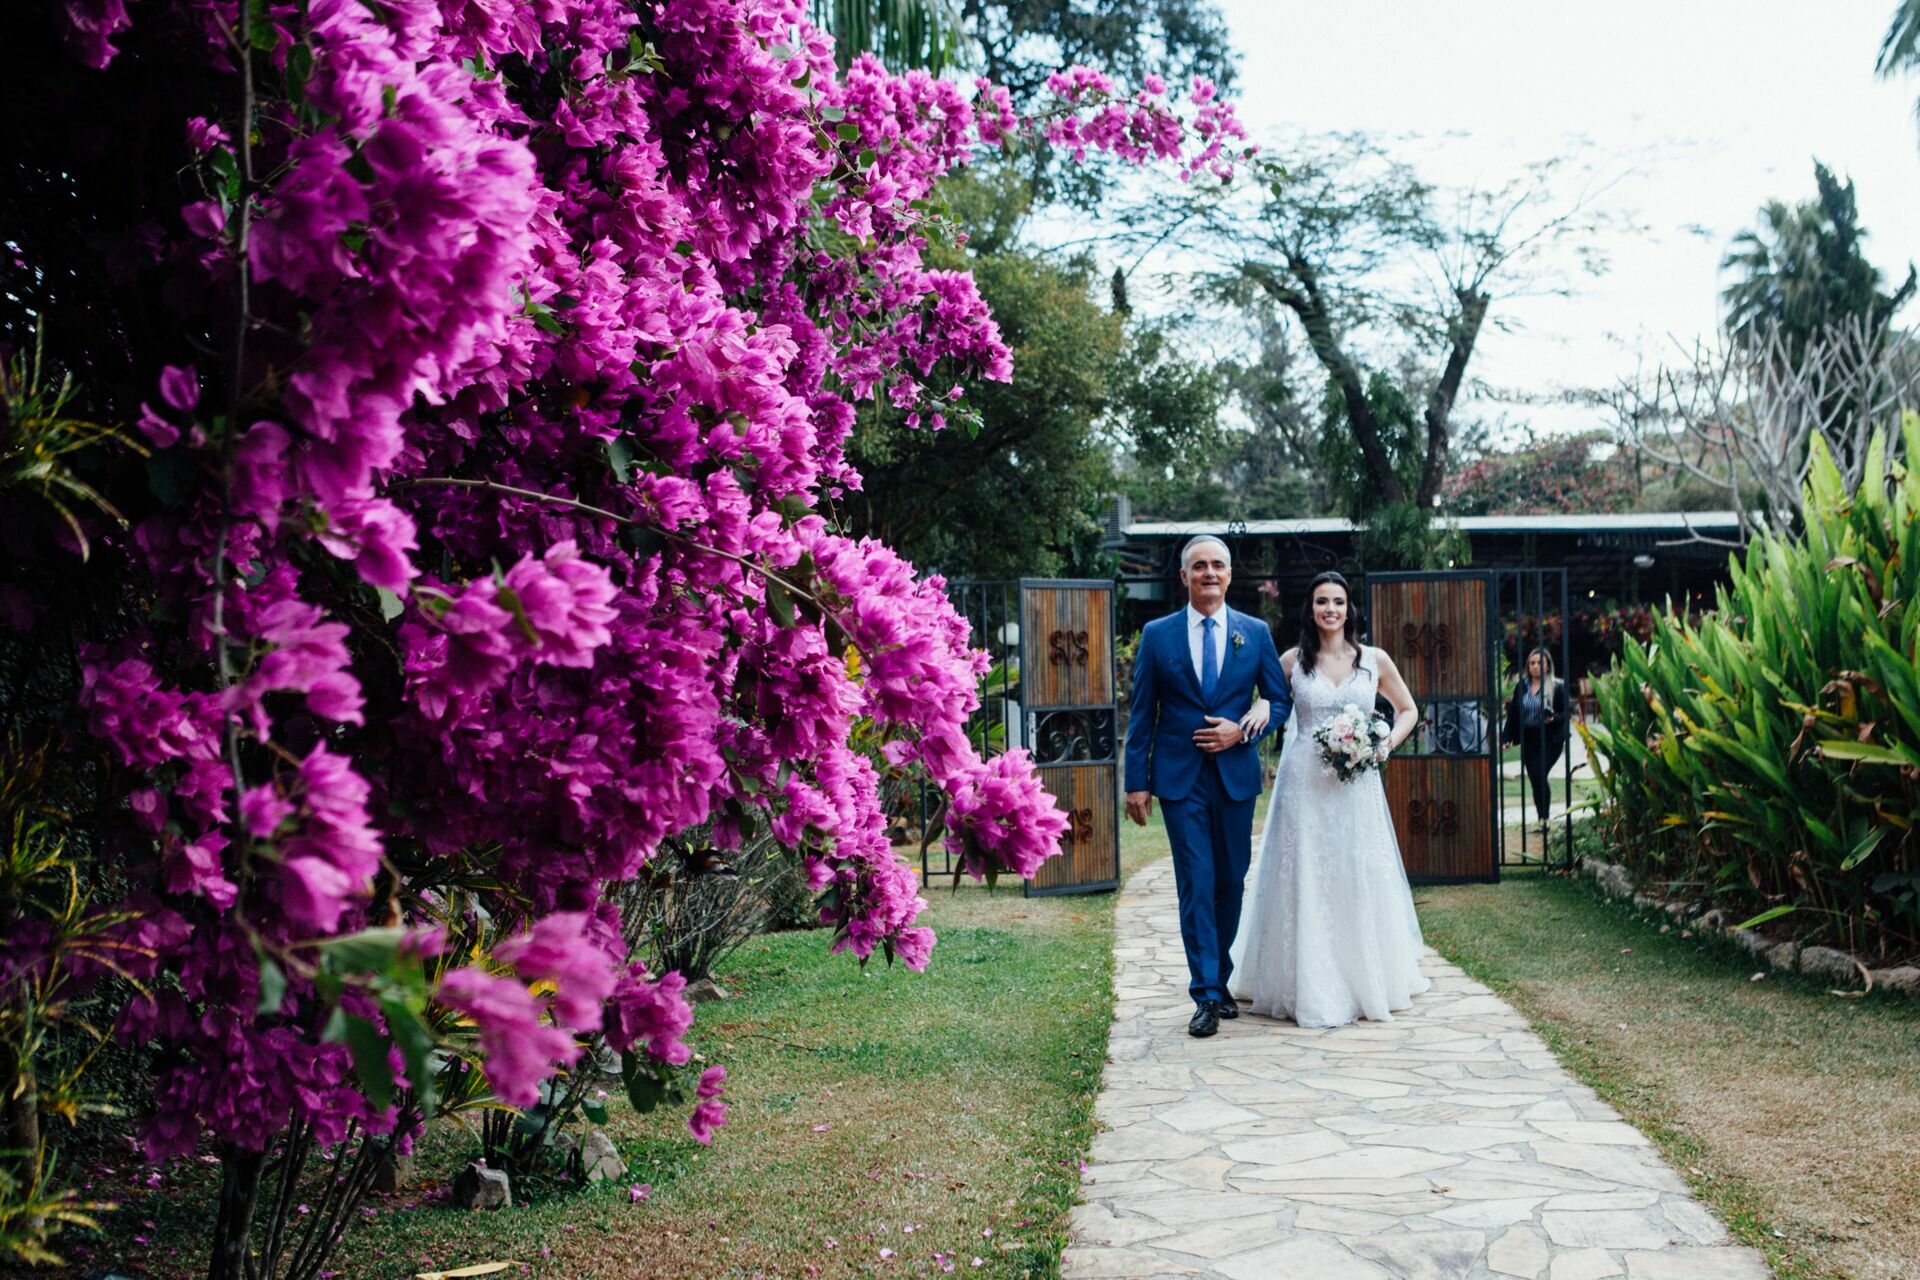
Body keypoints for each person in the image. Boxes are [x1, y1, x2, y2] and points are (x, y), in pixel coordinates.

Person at [1229, 571, 1432, 1029]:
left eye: (1338, 602)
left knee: (1355, 869)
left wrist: (1384, 744)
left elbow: (1408, 709)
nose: (1331, 610)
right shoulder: (1292, 660)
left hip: (1357, 785)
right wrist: (1262, 706)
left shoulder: (1373, 660)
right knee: (1305, 872)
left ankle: (1363, 977)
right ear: (1311, 608)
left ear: (1349, 609)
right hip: (1303, 783)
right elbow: (1265, 700)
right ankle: (1303, 980)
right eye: (1322, 601)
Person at [1123, 536, 1293, 1039]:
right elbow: (1142, 714)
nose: (1209, 573)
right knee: (1196, 880)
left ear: (1229, 574)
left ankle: (1219, 974)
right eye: (1199, 566)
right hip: (1179, 779)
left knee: (1230, 879)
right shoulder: (1157, 635)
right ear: (1184, 577)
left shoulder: (1255, 632)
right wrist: (1138, 782)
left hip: (1235, 776)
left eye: (1217, 565)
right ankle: (1206, 993)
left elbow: (1278, 700)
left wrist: (1244, 727)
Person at [1502, 646, 1571, 835]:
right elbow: (1514, 714)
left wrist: (1553, 718)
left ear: (1548, 665)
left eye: (1540, 662)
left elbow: (1566, 714)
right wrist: (1507, 737)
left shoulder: (1556, 686)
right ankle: (1542, 820)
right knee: (1535, 779)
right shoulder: (1521, 686)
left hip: (1550, 739)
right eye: (1532, 663)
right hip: (1529, 738)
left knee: (1539, 774)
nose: (1535, 666)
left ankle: (1545, 819)